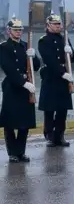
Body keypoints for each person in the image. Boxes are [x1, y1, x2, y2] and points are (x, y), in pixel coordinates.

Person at [0, 17, 41, 163]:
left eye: (19, 30)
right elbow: (9, 68)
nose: (18, 32)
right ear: (9, 31)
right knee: (10, 122)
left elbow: (36, 66)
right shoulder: (4, 47)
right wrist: (23, 83)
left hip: (26, 87)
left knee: (25, 122)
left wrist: (33, 55)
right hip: (13, 86)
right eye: (15, 30)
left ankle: (21, 151)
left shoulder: (25, 46)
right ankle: (12, 152)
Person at [37, 13, 74, 147]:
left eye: (59, 24)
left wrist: (70, 52)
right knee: (50, 109)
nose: (58, 26)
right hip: (51, 77)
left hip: (64, 79)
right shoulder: (44, 41)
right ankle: (49, 135)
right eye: (55, 24)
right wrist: (62, 73)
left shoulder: (64, 39)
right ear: (48, 25)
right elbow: (50, 60)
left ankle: (59, 135)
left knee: (62, 109)